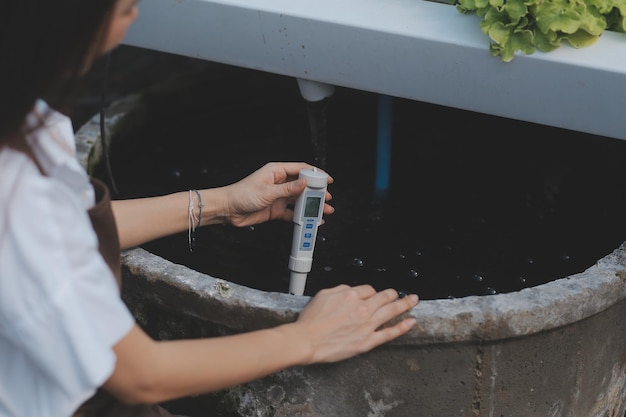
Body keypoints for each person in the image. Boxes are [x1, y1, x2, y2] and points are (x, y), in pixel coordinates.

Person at [0, 1, 420, 417]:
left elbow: (65, 235)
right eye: (126, 6)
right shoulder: (17, 187)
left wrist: (220, 204)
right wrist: (311, 337)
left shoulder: (31, 118)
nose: (137, 14)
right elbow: (139, 374)